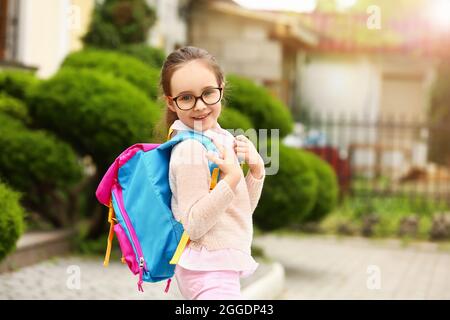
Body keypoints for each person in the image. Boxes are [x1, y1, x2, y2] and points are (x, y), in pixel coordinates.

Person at [159, 46, 265, 300]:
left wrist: (256, 170)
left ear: (221, 87)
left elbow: (237, 212)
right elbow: (194, 225)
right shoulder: (191, 149)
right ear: (170, 102)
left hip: (218, 266)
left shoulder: (220, 139)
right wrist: (231, 178)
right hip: (206, 271)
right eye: (186, 97)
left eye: (208, 93)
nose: (200, 106)